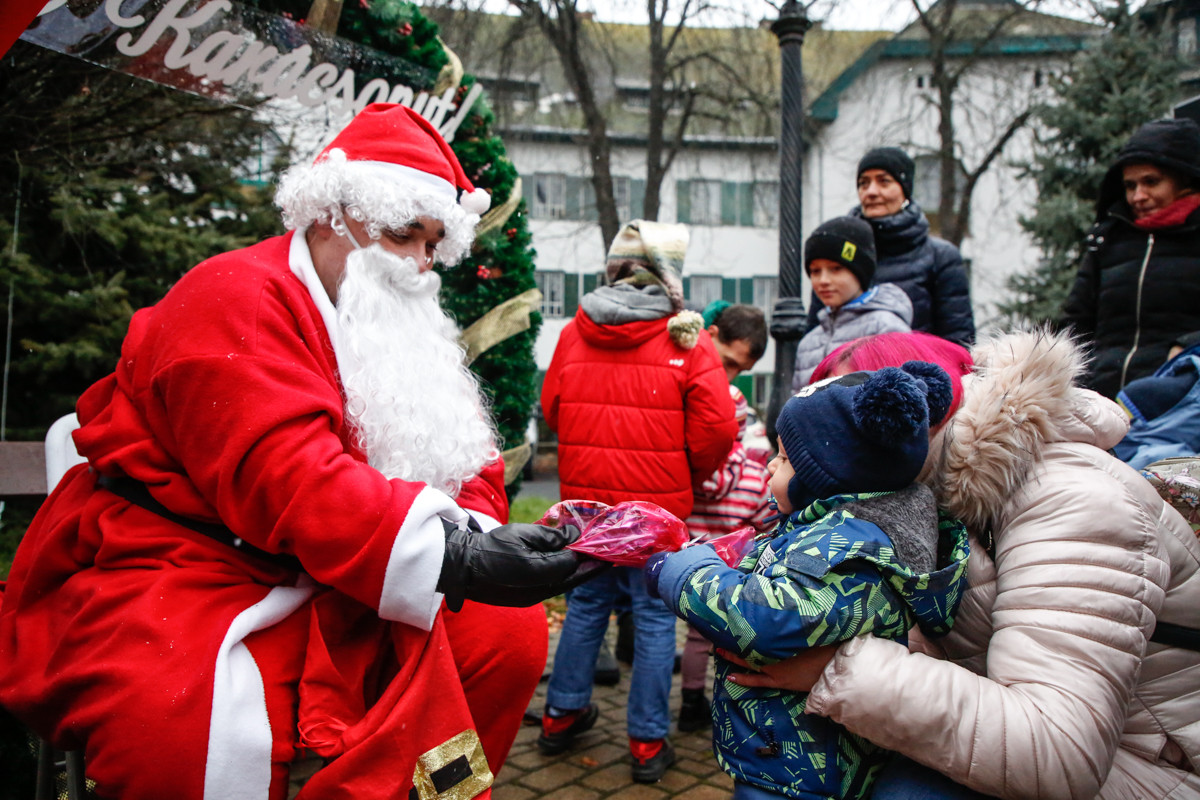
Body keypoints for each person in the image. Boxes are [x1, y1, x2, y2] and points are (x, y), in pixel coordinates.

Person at [0, 104, 593, 800]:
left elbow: (468, 455)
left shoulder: (393, 315)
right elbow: (288, 477)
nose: (420, 263)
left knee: (505, 635)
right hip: (188, 559)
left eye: (433, 244)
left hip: (347, 562)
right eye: (403, 234)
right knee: (180, 728)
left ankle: (426, 789)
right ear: (329, 215)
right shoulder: (236, 295)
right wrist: (455, 558)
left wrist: (483, 536)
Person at [733, 329, 1200, 799]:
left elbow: (1057, 751)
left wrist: (837, 669)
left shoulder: (1072, 501)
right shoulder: (913, 496)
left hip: (1145, 763)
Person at [644, 362, 970, 799]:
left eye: (783, 458)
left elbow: (764, 618)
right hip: (788, 751)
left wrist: (683, 574)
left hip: (798, 771)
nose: (769, 466)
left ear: (827, 474)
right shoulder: (847, 526)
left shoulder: (850, 550)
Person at [538, 220, 738, 782]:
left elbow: (552, 408)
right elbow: (718, 428)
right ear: (668, 274)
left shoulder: (574, 333)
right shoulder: (685, 340)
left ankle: (561, 714)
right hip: (657, 508)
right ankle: (647, 742)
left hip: (587, 507)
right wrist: (685, 474)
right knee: (653, 617)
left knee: (585, 606)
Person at [676, 301, 773, 733]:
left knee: (677, 634)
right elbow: (764, 521)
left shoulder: (686, 474)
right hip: (723, 567)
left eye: (738, 370)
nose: (728, 376)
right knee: (708, 636)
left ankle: (685, 704)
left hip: (683, 556)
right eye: (728, 363)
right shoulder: (750, 478)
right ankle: (715, 704)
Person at [1062, 117, 1200, 399]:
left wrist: (1189, 346)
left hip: (1180, 402)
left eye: (1151, 182)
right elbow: (1075, 322)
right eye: (1129, 185)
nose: (1138, 196)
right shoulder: (1107, 241)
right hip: (1103, 400)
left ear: (1184, 179)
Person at [806, 147, 974, 346]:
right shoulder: (835, 253)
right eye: (863, 183)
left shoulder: (941, 257)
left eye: (884, 181)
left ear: (905, 189)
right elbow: (816, 336)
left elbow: (957, 344)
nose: (871, 192)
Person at [792, 215, 912, 390]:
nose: (823, 280)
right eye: (815, 271)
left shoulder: (885, 328)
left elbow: (902, 396)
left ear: (860, 272)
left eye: (836, 269)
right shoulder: (809, 342)